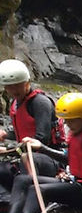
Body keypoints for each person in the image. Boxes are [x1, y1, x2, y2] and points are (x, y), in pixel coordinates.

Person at [0, 58, 65, 202]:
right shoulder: (16, 102)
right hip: (28, 156)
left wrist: (9, 150)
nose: (14, 90)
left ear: (27, 83)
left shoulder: (40, 103)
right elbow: (20, 131)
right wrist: (5, 135)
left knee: (27, 158)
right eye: (10, 87)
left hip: (50, 160)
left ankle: (28, 198)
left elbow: (41, 139)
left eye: (18, 86)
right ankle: (6, 199)